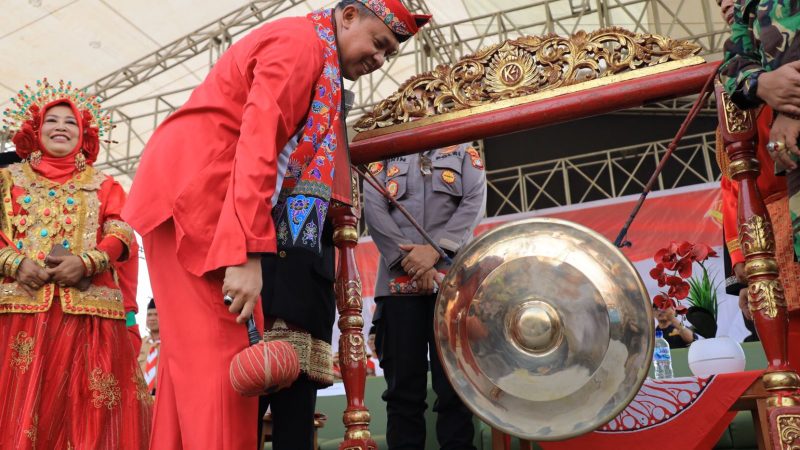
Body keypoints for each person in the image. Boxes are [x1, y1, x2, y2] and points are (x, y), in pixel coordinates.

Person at [121, 1, 431, 449]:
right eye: (378, 43)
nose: (379, 59)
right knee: (221, 364)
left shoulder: (315, 55)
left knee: (187, 366)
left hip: (196, 192)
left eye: (389, 54)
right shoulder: (299, 44)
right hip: (197, 193)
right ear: (347, 17)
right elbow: (259, 145)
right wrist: (246, 252)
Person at [0, 79, 152, 449]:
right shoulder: (7, 180)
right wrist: (14, 262)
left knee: (90, 420)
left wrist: (87, 263)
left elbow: (122, 231)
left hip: (89, 322)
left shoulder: (104, 184)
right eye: (52, 120)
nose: (61, 128)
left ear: (83, 133)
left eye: (71, 122)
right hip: (18, 316)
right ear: (35, 130)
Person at [364, 141, 486, 450]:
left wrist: (435, 252)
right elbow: (374, 210)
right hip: (396, 287)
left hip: (453, 286)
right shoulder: (384, 152)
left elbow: (474, 201)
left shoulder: (463, 151)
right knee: (403, 393)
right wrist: (413, 263)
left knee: (456, 391)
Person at [719, 0, 800, 363]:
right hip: (780, 215)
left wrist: (788, 110)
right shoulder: (749, 20)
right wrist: (745, 263)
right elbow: (733, 185)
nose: (725, 4)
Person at [138, 298, 160, 395]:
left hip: (162, 395)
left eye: (156, 314)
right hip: (141, 395)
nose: (152, 318)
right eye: (149, 315)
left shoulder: (171, 345)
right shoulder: (139, 343)